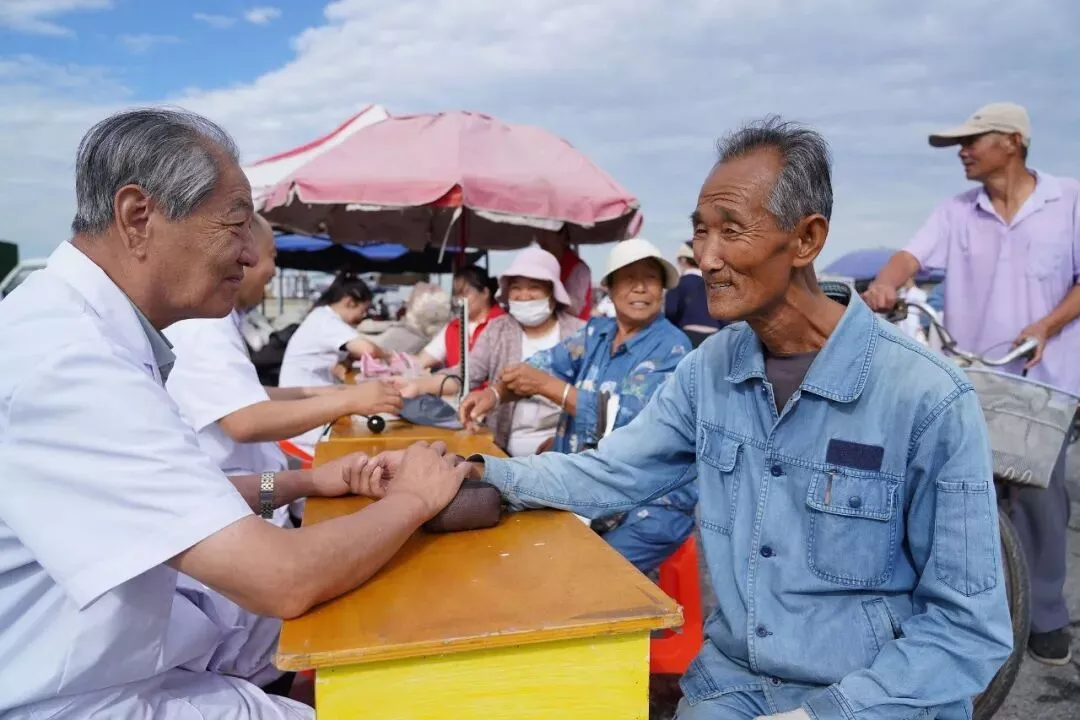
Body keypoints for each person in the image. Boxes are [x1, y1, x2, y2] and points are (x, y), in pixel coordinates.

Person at [368, 117, 1015, 719]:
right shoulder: (709, 370)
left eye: (731, 230)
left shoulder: (925, 397)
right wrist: (480, 472)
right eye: (700, 231)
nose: (704, 257)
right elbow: (611, 471)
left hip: (867, 699)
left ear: (806, 239)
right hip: (729, 688)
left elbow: (967, 631)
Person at [0, 107, 469, 720]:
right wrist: (414, 500)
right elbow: (281, 579)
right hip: (84, 697)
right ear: (138, 217)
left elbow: (177, 498)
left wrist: (308, 482)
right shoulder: (70, 361)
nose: (250, 255)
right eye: (237, 224)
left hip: (137, 654)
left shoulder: (81, 329)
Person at [864, 101, 1080, 666]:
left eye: (972, 140)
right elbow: (909, 256)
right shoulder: (956, 210)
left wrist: (1047, 325)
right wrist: (885, 284)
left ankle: (1046, 615)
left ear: (1012, 141)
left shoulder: (1069, 200)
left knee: (1040, 498)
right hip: (970, 375)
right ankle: (970, 610)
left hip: (1042, 382)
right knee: (961, 493)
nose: (962, 151)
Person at [458, 239, 697, 575]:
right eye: (629, 278)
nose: (641, 288)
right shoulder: (597, 332)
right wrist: (495, 394)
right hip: (586, 487)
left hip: (649, 504)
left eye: (651, 279)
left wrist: (547, 387)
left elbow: (629, 421)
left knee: (583, 577)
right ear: (610, 288)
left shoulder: (673, 348)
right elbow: (542, 365)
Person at [164, 215, 404, 525]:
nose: (274, 270)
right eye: (272, 255)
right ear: (242, 254)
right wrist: (349, 400)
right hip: (240, 510)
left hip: (256, 495)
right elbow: (245, 421)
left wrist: (327, 392)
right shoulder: (204, 325)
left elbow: (243, 397)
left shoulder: (214, 320)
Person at [402, 247, 585, 456]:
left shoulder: (579, 333)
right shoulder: (498, 329)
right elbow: (468, 373)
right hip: (506, 446)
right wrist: (418, 386)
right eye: (516, 288)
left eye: (534, 287)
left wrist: (562, 441)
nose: (524, 295)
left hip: (566, 448)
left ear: (552, 294)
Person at [414, 266, 504, 370]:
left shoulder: (504, 324)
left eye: (465, 293)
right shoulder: (453, 327)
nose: (460, 300)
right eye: (457, 295)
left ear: (485, 293)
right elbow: (422, 360)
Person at [666, 240, 725, 347]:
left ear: (683, 260)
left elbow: (671, 310)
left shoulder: (678, 283)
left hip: (688, 334)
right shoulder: (715, 284)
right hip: (715, 335)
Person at [536, 230, 593, 319]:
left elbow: (575, 308)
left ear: (562, 235)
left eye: (545, 233)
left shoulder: (578, 268)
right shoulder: (542, 266)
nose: (541, 240)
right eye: (538, 234)